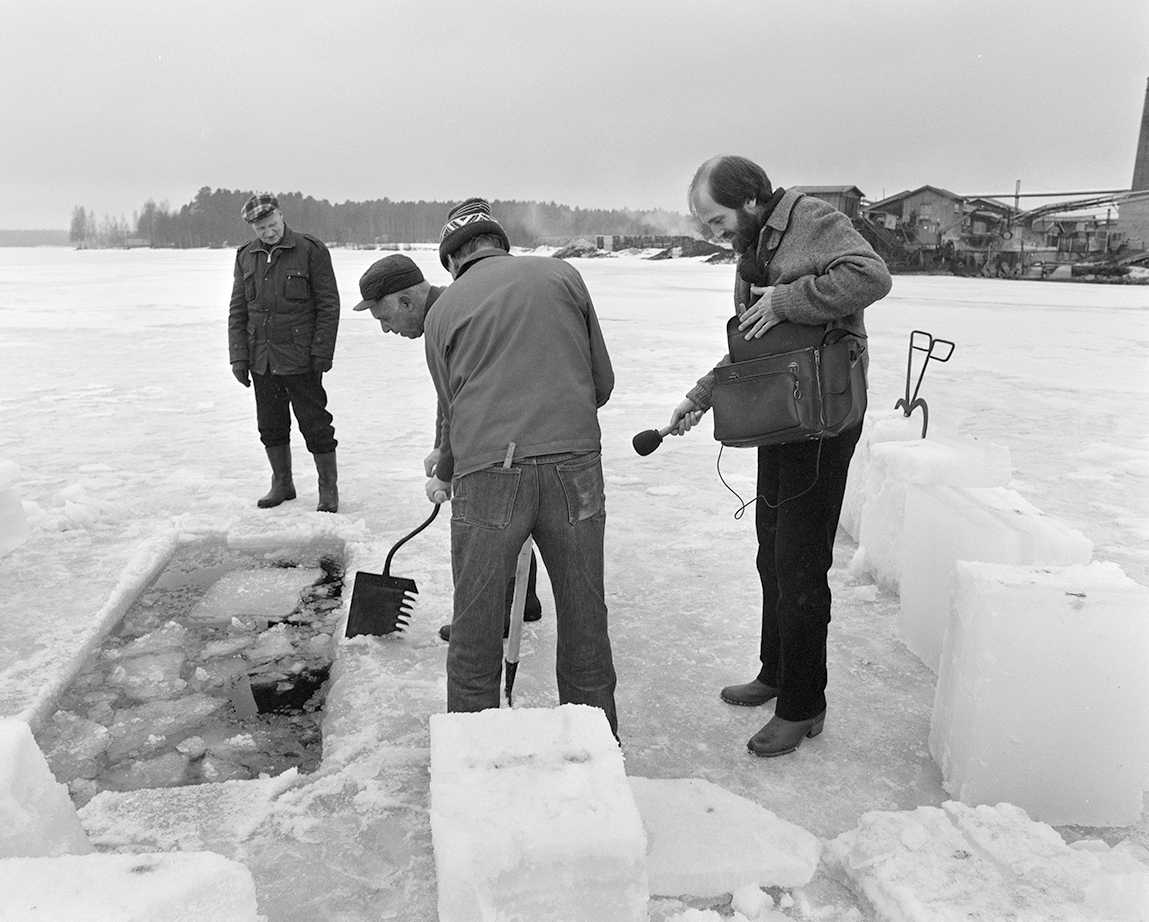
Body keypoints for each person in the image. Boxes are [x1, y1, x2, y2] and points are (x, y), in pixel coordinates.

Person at [666, 156, 892, 757]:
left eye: (713, 218)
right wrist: (699, 399)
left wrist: (790, 299)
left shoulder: (811, 221)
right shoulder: (754, 247)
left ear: (748, 200)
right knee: (772, 552)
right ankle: (776, 671)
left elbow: (872, 276)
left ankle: (803, 703)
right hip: (780, 419)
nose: (709, 232)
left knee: (800, 562)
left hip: (823, 421)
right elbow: (749, 344)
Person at [422, 198, 618, 736]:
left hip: (487, 474)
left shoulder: (442, 311)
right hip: (574, 468)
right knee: (584, 617)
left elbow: (453, 410)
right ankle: (596, 750)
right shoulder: (564, 276)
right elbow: (601, 385)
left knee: (475, 623)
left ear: (454, 259)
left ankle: (472, 750)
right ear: (498, 243)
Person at [351, 253, 543, 640]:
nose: (387, 331)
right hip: (523, 424)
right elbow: (450, 396)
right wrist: (442, 449)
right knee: (511, 517)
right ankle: (525, 599)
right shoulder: (454, 306)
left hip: (504, 433)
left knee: (484, 527)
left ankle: (494, 616)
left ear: (406, 301)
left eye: (385, 319)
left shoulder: (449, 316)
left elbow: (461, 405)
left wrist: (445, 473)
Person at [228, 194, 341, 513]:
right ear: (252, 227)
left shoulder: (310, 250)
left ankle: (327, 488)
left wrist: (322, 351)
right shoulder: (245, 256)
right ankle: (282, 483)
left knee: (316, 425)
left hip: (300, 357)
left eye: (272, 224)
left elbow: (329, 304)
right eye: (261, 228)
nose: (268, 232)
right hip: (261, 357)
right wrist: (239, 356)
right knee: (270, 425)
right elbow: (238, 309)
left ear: (281, 215)